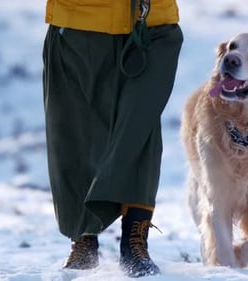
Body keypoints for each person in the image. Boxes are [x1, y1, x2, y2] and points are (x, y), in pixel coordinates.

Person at [42, 0, 183, 277]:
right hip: (78, 24)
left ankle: (135, 241)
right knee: (74, 136)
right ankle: (83, 238)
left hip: (153, 24)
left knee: (140, 129)